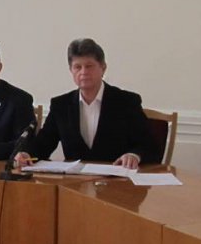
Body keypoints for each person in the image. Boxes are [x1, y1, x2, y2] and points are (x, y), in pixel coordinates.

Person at [16, 38, 156, 169]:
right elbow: (43, 144)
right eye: (77, 67)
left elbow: (149, 145)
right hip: (75, 181)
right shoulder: (61, 105)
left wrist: (134, 155)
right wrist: (27, 154)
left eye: (89, 66)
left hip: (117, 179)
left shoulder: (127, 102)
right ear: (71, 70)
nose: (83, 72)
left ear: (103, 68)